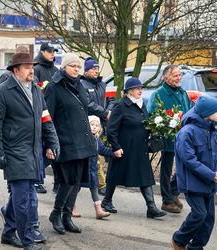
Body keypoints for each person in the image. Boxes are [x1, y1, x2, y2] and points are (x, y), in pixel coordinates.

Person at [0, 52, 59, 250]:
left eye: (32, 66)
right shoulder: (4, 91)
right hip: (13, 151)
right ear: (16, 70)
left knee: (24, 195)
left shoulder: (36, 90)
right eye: (28, 67)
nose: (32, 70)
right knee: (23, 199)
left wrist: (52, 142)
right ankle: (27, 239)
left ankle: (8, 233)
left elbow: (45, 118)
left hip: (33, 150)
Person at [45, 52, 97, 235]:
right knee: (67, 181)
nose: (76, 69)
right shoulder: (54, 87)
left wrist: (102, 115)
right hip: (64, 141)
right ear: (64, 67)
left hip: (82, 140)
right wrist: (49, 144)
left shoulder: (80, 85)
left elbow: (85, 107)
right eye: (72, 66)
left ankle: (67, 217)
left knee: (76, 182)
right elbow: (47, 117)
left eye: (78, 66)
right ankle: (55, 213)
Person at [102, 78, 166, 219]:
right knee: (115, 175)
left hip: (140, 148)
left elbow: (144, 123)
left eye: (141, 88)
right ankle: (106, 201)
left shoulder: (141, 104)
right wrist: (115, 147)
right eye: (137, 88)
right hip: (124, 148)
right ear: (129, 91)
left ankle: (151, 207)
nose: (140, 90)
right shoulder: (121, 105)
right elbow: (111, 129)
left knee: (145, 176)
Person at [171, 96, 217, 250]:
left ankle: (196, 247)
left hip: (208, 183)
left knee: (209, 219)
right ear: (207, 112)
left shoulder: (212, 129)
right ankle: (179, 239)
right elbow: (188, 159)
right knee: (199, 214)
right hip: (193, 182)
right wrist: (211, 174)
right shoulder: (187, 132)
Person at [147, 65, 192, 213]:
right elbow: (152, 115)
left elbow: (190, 110)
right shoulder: (158, 94)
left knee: (185, 166)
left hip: (184, 137)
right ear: (166, 77)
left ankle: (172, 192)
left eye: (180, 75)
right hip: (167, 138)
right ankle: (167, 200)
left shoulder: (182, 92)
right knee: (166, 170)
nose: (178, 78)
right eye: (175, 76)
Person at [80, 57, 116, 196]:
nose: (96, 71)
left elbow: (111, 98)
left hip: (104, 123)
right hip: (90, 124)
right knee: (96, 157)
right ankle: (100, 185)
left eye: (97, 68)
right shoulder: (82, 84)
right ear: (87, 70)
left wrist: (110, 111)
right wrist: (105, 112)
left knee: (102, 154)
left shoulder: (103, 84)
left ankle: (101, 184)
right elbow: (87, 104)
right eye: (93, 69)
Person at [34, 42, 59, 194]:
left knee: (55, 148)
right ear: (42, 52)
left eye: (54, 51)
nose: (52, 54)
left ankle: (58, 181)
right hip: (40, 115)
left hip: (55, 115)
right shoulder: (36, 69)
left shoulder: (56, 71)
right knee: (41, 150)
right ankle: (37, 180)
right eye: (49, 51)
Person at [80, 115, 111, 219]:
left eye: (97, 125)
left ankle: (99, 210)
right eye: (92, 124)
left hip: (93, 170)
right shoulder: (84, 138)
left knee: (94, 188)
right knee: (75, 189)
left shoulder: (97, 139)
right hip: (82, 169)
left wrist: (113, 153)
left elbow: (102, 150)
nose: (94, 127)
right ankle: (71, 207)